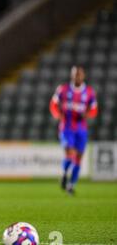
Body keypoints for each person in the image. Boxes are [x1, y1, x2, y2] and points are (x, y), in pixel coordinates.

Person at [49, 66, 98, 195]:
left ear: (83, 76)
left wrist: (87, 114)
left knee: (79, 158)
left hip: (81, 129)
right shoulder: (63, 89)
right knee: (70, 154)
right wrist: (57, 114)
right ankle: (65, 174)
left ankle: (71, 185)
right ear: (72, 75)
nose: (77, 77)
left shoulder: (89, 92)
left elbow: (94, 109)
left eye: (79, 74)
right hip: (66, 127)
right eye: (75, 74)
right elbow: (53, 104)